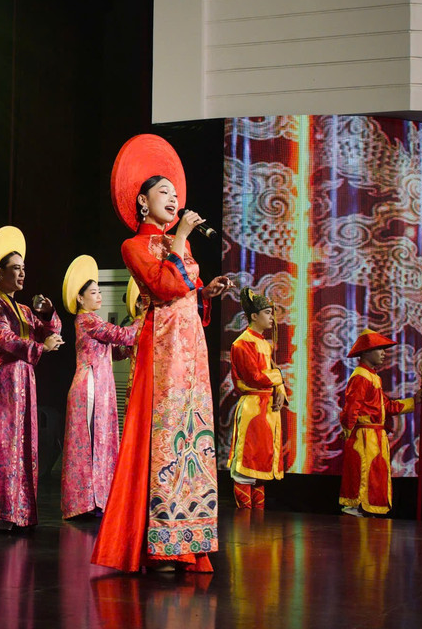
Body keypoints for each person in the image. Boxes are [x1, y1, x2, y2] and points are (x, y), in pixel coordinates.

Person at [91, 134, 230, 574]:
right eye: (163, 193)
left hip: (193, 350)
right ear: (143, 203)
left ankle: (190, 538)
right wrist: (182, 236)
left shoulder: (182, 245)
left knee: (194, 435)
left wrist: (208, 291)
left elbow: (187, 292)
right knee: (166, 434)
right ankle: (161, 542)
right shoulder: (133, 246)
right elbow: (165, 288)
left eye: (175, 193)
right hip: (163, 348)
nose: (173, 199)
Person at [0, 226, 63, 529]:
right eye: (15, 268)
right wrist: (40, 347)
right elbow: (3, 339)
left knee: (23, 444)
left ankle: (17, 512)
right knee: (2, 442)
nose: (22, 274)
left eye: (23, 268)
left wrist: (48, 316)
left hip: (24, 381)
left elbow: (50, 332)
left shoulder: (23, 308)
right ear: (0, 273)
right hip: (2, 379)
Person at [60, 254, 139, 519]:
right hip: (90, 386)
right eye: (93, 292)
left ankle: (98, 499)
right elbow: (123, 335)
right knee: (91, 442)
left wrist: (127, 350)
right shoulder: (87, 320)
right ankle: (86, 502)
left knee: (100, 441)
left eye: (99, 291)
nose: (99, 296)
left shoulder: (92, 322)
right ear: (80, 299)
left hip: (101, 385)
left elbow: (115, 350)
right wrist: (145, 319)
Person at [339, 329, 417, 517]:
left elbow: (387, 406)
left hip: (374, 436)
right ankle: (357, 508)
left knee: (375, 474)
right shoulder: (361, 377)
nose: (383, 353)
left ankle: (366, 509)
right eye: (379, 349)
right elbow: (351, 408)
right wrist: (349, 432)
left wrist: (415, 402)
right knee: (363, 473)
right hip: (365, 436)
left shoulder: (373, 377)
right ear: (366, 352)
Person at [228, 287, 287, 509]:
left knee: (261, 465)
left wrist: (280, 390)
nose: (271, 317)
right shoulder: (242, 343)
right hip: (253, 407)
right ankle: (245, 520)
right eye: (267, 313)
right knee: (247, 463)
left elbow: (270, 373)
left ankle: (258, 522)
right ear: (254, 316)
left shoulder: (264, 343)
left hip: (268, 408)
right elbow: (254, 376)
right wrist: (278, 377)